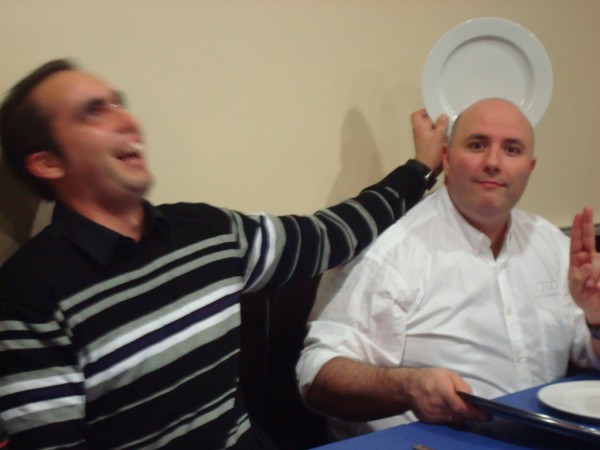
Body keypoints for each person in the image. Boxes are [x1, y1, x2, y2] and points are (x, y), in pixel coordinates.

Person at [0, 59, 445, 449]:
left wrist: (419, 169)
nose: (127, 120)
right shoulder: (31, 293)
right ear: (48, 163)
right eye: (93, 112)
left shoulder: (206, 233)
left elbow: (332, 234)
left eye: (118, 103)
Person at [296, 98, 600, 440]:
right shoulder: (389, 250)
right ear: (447, 158)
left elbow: (590, 355)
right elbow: (317, 376)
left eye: (511, 149)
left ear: (530, 168)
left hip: (550, 437)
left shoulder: (551, 244)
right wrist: (410, 387)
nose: (493, 162)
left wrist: (596, 317)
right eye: (477, 145)